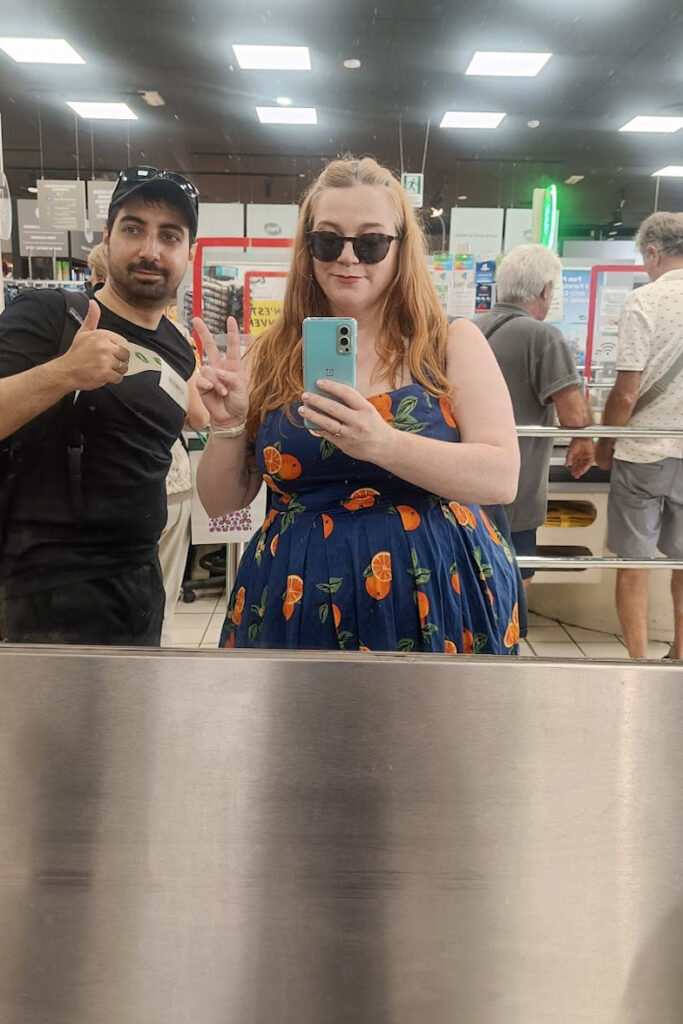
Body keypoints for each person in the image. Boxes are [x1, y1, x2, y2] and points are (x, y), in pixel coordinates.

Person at [195, 156, 522, 655]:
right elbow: (221, 503)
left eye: (370, 243)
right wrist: (228, 425)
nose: (348, 258)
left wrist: (383, 443)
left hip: (436, 590)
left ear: (400, 248)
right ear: (308, 249)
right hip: (297, 597)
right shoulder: (268, 355)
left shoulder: (450, 344)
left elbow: (501, 477)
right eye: (328, 240)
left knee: (438, 732)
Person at [0, 165, 201, 646]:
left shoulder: (178, 346)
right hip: (42, 595)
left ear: (187, 254)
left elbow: (191, 418)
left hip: (138, 584)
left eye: (169, 236)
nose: (150, 250)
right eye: (134, 229)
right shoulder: (49, 315)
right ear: (108, 236)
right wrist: (63, 373)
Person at [475, 244, 595, 584]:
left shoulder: (471, 328)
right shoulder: (543, 337)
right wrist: (583, 440)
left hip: (467, 490)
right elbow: (573, 412)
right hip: (515, 497)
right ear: (546, 290)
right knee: (514, 587)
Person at [596, 212, 683, 660]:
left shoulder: (644, 301)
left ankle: (638, 661)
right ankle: (680, 654)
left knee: (634, 563)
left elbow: (626, 391)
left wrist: (604, 444)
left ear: (653, 252)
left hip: (643, 452)